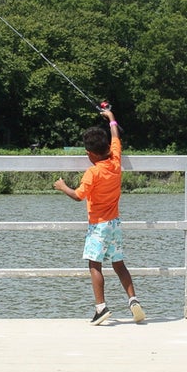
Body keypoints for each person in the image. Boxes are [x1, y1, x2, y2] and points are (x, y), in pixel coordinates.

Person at [54, 103, 145, 325]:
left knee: (94, 264)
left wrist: (62, 186)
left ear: (89, 154)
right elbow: (115, 136)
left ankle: (101, 307)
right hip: (114, 223)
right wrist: (111, 116)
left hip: (98, 225)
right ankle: (133, 300)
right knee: (119, 263)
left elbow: (78, 195)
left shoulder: (92, 173)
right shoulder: (115, 161)